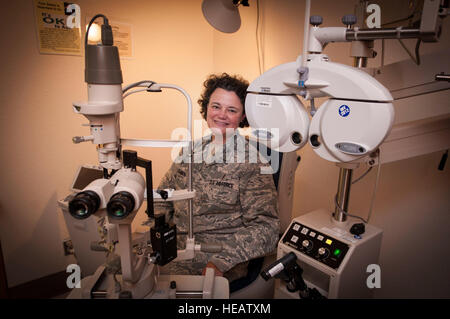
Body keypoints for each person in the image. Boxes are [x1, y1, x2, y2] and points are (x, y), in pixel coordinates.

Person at [155, 73, 280, 285]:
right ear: (206, 108)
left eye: (231, 110)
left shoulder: (253, 163)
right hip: (174, 247)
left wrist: (221, 262)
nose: (221, 115)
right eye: (216, 106)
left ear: (242, 117)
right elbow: (162, 198)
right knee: (120, 272)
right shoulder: (190, 151)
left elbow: (267, 227)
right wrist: (151, 232)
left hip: (216, 258)